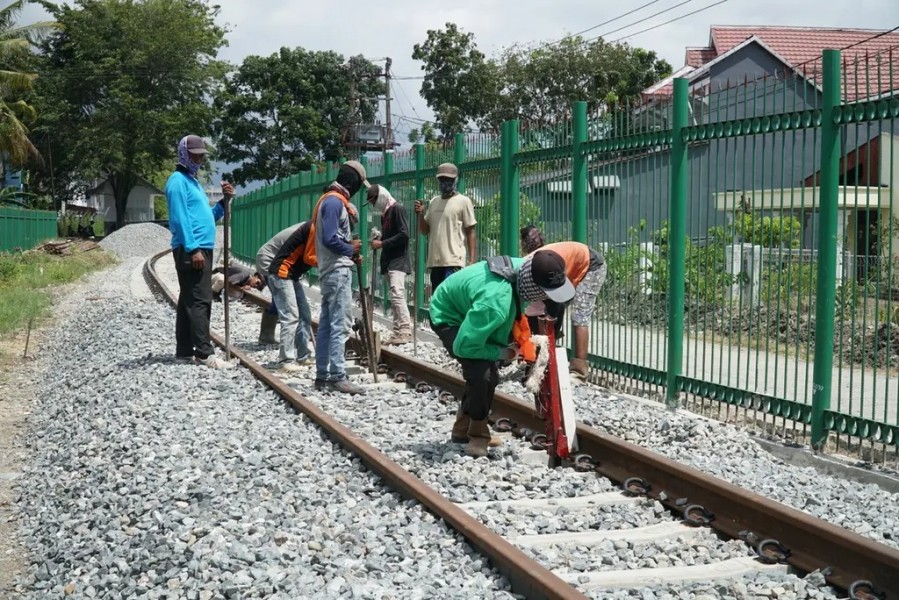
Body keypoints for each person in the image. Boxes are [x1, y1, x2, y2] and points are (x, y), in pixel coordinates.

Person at [428, 250, 575, 458]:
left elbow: (514, 310)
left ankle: (461, 430)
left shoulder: (524, 270)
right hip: (450, 316)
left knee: (488, 370)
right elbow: (463, 347)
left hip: (473, 310)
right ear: (534, 288)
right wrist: (503, 352)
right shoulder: (495, 303)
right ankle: (478, 435)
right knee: (482, 373)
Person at [166, 134, 234, 369]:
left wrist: (223, 204)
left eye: (201, 155)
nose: (199, 159)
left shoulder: (193, 182)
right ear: (184, 153)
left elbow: (207, 217)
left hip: (200, 247)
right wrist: (192, 248)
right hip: (191, 249)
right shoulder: (177, 181)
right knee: (200, 300)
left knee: (188, 299)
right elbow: (179, 217)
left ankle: (184, 350)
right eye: (194, 154)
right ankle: (204, 353)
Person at [306, 161, 367, 394]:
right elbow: (332, 239)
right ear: (352, 183)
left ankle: (322, 375)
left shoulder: (328, 200)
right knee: (339, 325)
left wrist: (349, 251)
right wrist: (350, 249)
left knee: (326, 326)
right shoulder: (333, 202)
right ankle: (338, 376)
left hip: (329, 270)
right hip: (337, 271)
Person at [524, 238, 607, 381]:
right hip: (565, 266)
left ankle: (579, 372)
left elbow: (552, 310)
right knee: (549, 312)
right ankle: (545, 360)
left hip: (590, 265)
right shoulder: (526, 277)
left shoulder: (532, 280)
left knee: (579, 316)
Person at [414, 163, 477, 294]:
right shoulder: (433, 202)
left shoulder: (463, 201)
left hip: (454, 261)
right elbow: (425, 230)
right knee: (437, 300)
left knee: (450, 298)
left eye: (449, 180)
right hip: (436, 262)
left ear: (456, 180)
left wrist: (472, 261)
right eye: (442, 180)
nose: (445, 183)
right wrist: (420, 214)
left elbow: (470, 231)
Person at [266, 221, 315, 372]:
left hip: (291, 276)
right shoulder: (315, 229)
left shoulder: (322, 229)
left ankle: (303, 355)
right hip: (281, 274)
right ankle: (285, 360)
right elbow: (309, 257)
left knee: (304, 315)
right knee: (291, 316)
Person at [367, 184, 412, 345]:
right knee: (394, 296)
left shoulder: (397, 209)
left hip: (398, 259)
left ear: (380, 197)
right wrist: (380, 237)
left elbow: (404, 234)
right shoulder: (385, 214)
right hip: (389, 260)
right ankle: (397, 331)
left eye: (373, 201)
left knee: (397, 293)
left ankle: (405, 330)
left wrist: (382, 243)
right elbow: (391, 234)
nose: (373, 205)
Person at [255, 224, 302, 344]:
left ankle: (266, 336)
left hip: (275, 260)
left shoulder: (309, 227)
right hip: (268, 260)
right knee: (283, 299)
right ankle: (270, 337)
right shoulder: (308, 230)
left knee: (280, 299)